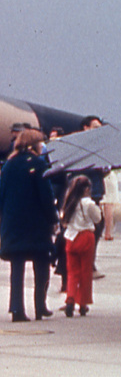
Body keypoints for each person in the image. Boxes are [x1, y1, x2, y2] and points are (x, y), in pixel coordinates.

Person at [1, 128, 57, 322]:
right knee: (41, 265)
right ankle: (40, 306)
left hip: (13, 223)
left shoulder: (9, 164)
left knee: (17, 268)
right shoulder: (39, 164)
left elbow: (2, 194)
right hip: (36, 224)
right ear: (35, 144)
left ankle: (17, 308)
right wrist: (53, 219)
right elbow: (46, 195)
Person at [59, 174, 102, 315]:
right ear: (86, 189)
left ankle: (70, 299)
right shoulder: (88, 203)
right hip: (85, 236)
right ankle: (82, 303)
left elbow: (64, 221)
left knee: (72, 272)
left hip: (71, 238)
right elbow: (97, 218)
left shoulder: (69, 202)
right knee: (85, 272)